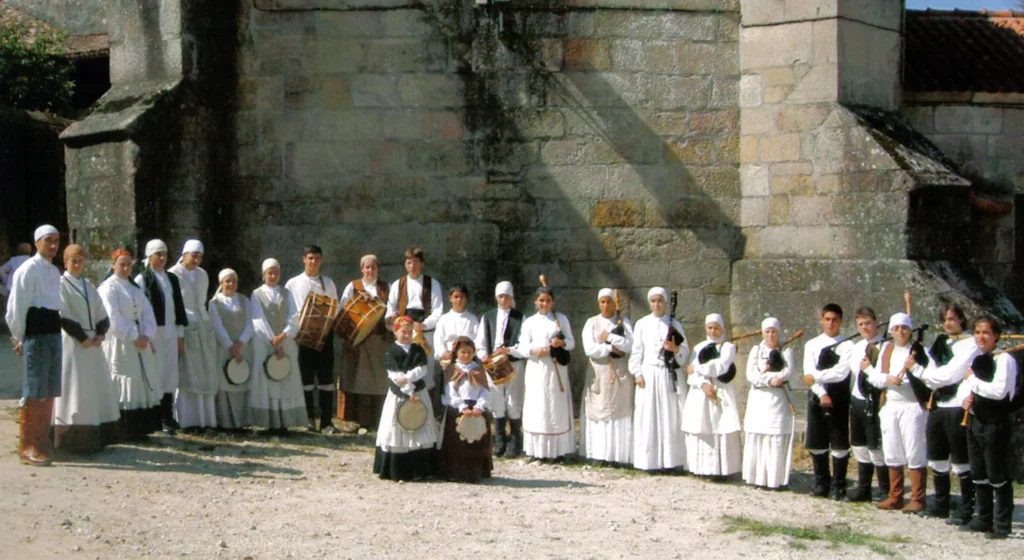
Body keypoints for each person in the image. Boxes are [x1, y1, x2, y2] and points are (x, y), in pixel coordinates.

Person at [53, 244, 120, 453]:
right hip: (74, 342)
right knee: (74, 388)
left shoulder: (88, 285)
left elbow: (102, 312)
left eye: (81, 260)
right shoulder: (61, 284)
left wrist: (101, 333)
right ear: (65, 262)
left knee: (94, 388)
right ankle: (70, 438)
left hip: (93, 344)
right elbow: (63, 315)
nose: (77, 264)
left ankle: (94, 436)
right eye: (73, 260)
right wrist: (82, 338)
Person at [6, 226, 63, 465]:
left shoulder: (53, 271)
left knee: (49, 390)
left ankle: (42, 441)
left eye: (56, 241)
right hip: (36, 335)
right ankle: (28, 445)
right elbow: (16, 308)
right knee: (34, 391)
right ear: (37, 242)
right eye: (48, 241)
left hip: (53, 334)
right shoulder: (27, 270)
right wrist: (19, 337)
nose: (53, 245)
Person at [863, 313, 930, 513]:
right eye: (897, 328)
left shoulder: (919, 351)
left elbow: (929, 376)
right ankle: (896, 496)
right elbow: (874, 378)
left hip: (912, 406)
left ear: (910, 330)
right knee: (892, 449)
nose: (900, 331)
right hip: (891, 405)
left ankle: (918, 498)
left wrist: (914, 368)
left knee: (914, 449)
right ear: (891, 330)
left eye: (905, 327)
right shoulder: (885, 350)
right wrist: (888, 379)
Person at [919, 304, 979, 523]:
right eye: (944, 319)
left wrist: (926, 376)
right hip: (938, 405)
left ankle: (966, 509)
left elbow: (950, 374)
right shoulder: (940, 343)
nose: (948, 323)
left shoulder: (970, 344)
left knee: (961, 459)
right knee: (936, 456)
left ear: (962, 321)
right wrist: (930, 375)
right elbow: (934, 370)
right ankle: (941, 504)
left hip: (956, 405)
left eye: (952, 319)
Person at [960, 316, 1017, 539]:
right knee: (978, 472)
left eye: (985, 333)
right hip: (975, 421)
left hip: (994, 422)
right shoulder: (979, 358)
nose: (981, 337)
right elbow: (970, 388)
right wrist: (966, 399)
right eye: (977, 332)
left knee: (997, 473)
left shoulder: (1004, 359)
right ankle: (982, 518)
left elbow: (999, 391)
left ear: (995, 336)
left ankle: (1002, 524)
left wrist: (972, 380)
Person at [98, 248, 163, 441]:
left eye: (128, 264)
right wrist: (134, 335)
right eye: (122, 264)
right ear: (113, 265)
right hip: (121, 343)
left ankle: (139, 429)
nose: (125, 268)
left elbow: (147, 314)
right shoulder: (108, 288)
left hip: (139, 343)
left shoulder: (135, 289)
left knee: (140, 380)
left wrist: (147, 334)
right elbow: (113, 316)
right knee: (123, 378)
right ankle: (121, 429)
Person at [373, 315, 439, 481]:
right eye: (404, 332)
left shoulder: (418, 349)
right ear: (396, 332)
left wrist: (409, 380)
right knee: (397, 426)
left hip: (419, 392)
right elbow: (394, 374)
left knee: (420, 423)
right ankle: (398, 469)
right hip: (399, 394)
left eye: (410, 332)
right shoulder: (391, 351)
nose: (407, 335)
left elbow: (422, 369)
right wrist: (408, 391)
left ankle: (420, 470)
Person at [629, 287, 687, 473]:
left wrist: (675, 349)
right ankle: (649, 462)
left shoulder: (675, 324)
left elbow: (684, 351)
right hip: (649, 375)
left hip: (667, 374)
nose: (657, 304)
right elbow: (636, 351)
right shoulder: (642, 324)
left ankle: (670, 462)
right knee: (648, 417)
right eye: (653, 301)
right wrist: (637, 373)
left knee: (670, 416)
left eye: (660, 301)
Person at [515, 284, 576, 461]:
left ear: (553, 302)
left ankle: (557, 452)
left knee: (554, 407)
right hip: (536, 369)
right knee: (538, 408)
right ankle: (537, 452)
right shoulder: (529, 322)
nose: (544, 304)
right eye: (541, 300)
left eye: (548, 300)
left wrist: (561, 343)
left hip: (555, 368)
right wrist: (534, 351)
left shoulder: (561, 320)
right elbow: (522, 347)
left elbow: (571, 342)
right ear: (536, 302)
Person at [285, 245, 340, 434]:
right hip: (303, 336)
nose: (313, 262)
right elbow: (289, 312)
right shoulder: (292, 283)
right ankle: (308, 420)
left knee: (326, 379)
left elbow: (335, 309)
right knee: (305, 379)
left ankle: (326, 423)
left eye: (317, 258)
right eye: (310, 258)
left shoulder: (328, 283)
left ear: (321, 260)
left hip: (324, 336)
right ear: (304, 259)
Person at [802, 303, 854, 500]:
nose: (831, 323)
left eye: (835, 319)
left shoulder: (848, 345)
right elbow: (808, 372)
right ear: (821, 320)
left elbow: (841, 373)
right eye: (827, 319)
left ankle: (839, 485)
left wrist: (815, 377)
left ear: (841, 321)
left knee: (840, 443)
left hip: (839, 397)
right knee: (817, 442)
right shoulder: (812, 344)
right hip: (817, 396)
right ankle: (821, 482)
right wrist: (821, 392)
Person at [248, 258, 307, 432]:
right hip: (264, 344)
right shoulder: (256, 294)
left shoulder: (287, 293)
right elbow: (257, 319)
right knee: (267, 380)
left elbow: (294, 317)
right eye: (269, 273)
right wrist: (272, 340)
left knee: (285, 378)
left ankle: (284, 422)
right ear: (264, 274)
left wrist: (283, 336)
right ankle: (269, 421)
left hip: (285, 343)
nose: (273, 276)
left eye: (276, 273)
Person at [135, 239, 187, 434]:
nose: (163, 259)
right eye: (159, 254)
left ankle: (168, 415)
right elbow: (140, 311)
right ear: (150, 256)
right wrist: (146, 335)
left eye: (165, 254)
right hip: (154, 332)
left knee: (170, 373)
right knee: (155, 372)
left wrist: (180, 335)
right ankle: (155, 418)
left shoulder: (172, 278)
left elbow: (178, 307)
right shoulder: (143, 279)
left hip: (171, 331)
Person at [580, 288, 634, 466]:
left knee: (618, 413)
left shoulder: (623, 322)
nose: (605, 305)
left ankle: (617, 456)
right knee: (599, 411)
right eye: (602, 302)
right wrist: (610, 348)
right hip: (599, 373)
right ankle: (599, 454)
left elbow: (629, 345)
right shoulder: (592, 323)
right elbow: (589, 348)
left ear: (613, 303)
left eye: (608, 301)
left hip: (619, 374)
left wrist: (609, 337)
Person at [683, 313, 741, 480]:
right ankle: (701, 468)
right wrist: (703, 384)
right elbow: (690, 374)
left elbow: (720, 366)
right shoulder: (699, 347)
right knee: (703, 429)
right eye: (710, 328)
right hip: (702, 391)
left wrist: (698, 369)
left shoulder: (728, 347)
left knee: (720, 427)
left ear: (722, 328)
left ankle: (722, 470)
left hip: (720, 390)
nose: (713, 331)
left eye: (716, 328)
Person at [169, 240, 219, 431]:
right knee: (187, 372)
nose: (197, 260)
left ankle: (205, 419)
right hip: (185, 326)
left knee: (204, 371)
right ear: (185, 254)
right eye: (194, 255)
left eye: (199, 256)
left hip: (202, 325)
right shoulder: (174, 274)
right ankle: (187, 420)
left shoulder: (203, 274)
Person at [386, 248, 443, 411]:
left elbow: (438, 311)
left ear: (422, 264)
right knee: (404, 369)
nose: (412, 266)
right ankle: (404, 411)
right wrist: (399, 323)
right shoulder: (398, 284)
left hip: (425, 333)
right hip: (405, 332)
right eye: (409, 262)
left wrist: (423, 325)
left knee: (427, 371)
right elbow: (391, 309)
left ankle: (428, 413)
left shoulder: (433, 284)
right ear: (405, 264)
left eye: (416, 262)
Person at [337, 254, 390, 429]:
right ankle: (354, 421)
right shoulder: (353, 287)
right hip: (356, 343)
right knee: (355, 379)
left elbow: (391, 313)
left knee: (377, 381)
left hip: (378, 342)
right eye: (367, 267)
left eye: (373, 267)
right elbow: (343, 310)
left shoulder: (385, 288)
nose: (370, 270)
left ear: (378, 269)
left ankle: (376, 422)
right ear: (362, 269)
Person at [475, 281, 527, 458]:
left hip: (513, 363)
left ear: (512, 297)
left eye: (507, 296)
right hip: (494, 365)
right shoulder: (488, 317)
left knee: (513, 402)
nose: (504, 300)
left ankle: (515, 441)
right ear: (496, 297)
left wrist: (509, 351)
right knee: (497, 402)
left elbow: (524, 343)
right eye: (501, 296)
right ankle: (499, 440)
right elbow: (480, 342)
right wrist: (483, 355)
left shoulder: (520, 318)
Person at [742, 317, 795, 489]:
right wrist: (768, 380)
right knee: (758, 436)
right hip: (758, 399)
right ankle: (756, 478)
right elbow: (751, 375)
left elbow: (787, 372)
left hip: (777, 401)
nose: (770, 335)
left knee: (774, 437)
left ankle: (774, 480)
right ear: (762, 333)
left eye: (774, 332)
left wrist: (772, 379)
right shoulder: (756, 350)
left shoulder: (786, 350)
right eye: (767, 332)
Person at [845, 307, 889, 502]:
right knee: (859, 444)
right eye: (860, 324)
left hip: (876, 401)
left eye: (868, 323)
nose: (864, 327)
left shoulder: (886, 346)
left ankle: (885, 489)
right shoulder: (856, 348)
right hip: (858, 399)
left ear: (876, 322)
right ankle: (864, 489)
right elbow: (855, 373)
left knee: (876, 446)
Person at [439, 336, 492, 483]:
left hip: (476, 409)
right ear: (456, 353)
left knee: (475, 442)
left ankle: (476, 472)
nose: (466, 355)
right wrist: (462, 407)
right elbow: (450, 392)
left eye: (469, 352)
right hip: (458, 409)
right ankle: (455, 473)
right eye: (463, 352)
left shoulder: (478, 370)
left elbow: (485, 391)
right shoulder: (451, 370)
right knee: (457, 444)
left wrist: (479, 406)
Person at [209, 268, 253, 430]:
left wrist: (240, 343)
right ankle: (225, 422)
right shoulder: (214, 303)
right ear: (221, 283)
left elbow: (250, 324)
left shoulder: (244, 300)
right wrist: (229, 346)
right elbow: (217, 326)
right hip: (223, 349)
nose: (230, 284)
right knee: (224, 382)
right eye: (227, 281)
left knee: (240, 380)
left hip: (242, 348)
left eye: (233, 281)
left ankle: (241, 421)